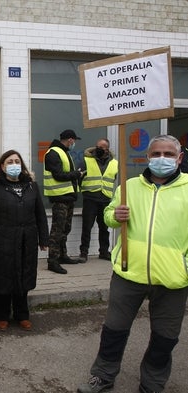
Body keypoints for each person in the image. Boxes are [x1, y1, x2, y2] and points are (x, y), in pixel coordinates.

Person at [77, 135, 188, 393]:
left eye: (169, 154)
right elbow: (108, 218)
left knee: (165, 338)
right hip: (128, 273)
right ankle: (102, 376)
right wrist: (114, 215)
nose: (162, 158)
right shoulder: (128, 186)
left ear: (180, 158)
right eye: (156, 153)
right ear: (148, 157)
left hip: (173, 280)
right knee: (113, 331)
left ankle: (152, 383)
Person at [0, 149, 49, 331]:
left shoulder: (32, 186)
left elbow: (40, 214)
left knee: (23, 277)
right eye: (9, 162)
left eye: (17, 161)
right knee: (3, 278)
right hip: (2, 240)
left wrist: (44, 238)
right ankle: (1, 315)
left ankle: (22, 314)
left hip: (27, 239)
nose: (14, 165)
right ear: (2, 166)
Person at [43, 129, 85, 274]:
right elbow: (59, 175)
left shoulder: (63, 152)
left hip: (67, 197)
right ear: (70, 140)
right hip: (59, 197)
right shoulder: (54, 153)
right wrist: (77, 174)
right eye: (74, 141)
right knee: (57, 230)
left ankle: (62, 255)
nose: (74, 144)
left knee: (65, 229)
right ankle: (52, 261)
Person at [77, 138, 118, 262]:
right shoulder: (86, 160)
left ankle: (104, 252)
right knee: (87, 227)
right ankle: (84, 253)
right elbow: (78, 177)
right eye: (97, 146)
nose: (99, 149)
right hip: (90, 198)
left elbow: (113, 178)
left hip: (105, 198)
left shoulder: (114, 163)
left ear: (107, 149)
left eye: (102, 147)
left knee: (104, 228)